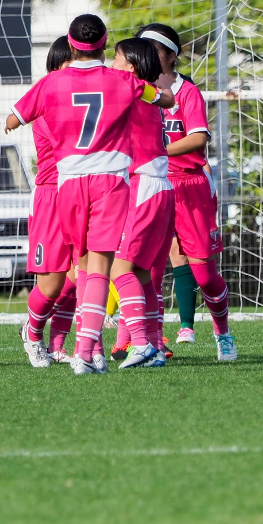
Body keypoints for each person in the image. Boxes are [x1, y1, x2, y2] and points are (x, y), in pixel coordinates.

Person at [6, 14, 173, 374]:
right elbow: (164, 98)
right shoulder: (118, 83)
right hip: (80, 188)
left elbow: (13, 119)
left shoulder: (55, 88)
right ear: (104, 43)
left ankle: (92, 349)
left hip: (74, 185)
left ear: (73, 46)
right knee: (77, 276)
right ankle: (62, 341)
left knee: (88, 271)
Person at [138, 23, 238, 362]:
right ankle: (151, 342)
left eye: (153, 49)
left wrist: (159, 150)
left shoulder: (187, 92)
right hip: (150, 185)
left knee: (205, 275)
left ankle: (222, 332)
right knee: (148, 270)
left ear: (171, 56)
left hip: (189, 187)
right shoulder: (137, 90)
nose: (146, 54)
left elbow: (197, 138)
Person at [105, 37, 176, 367]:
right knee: (143, 273)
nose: (111, 63)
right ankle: (153, 347)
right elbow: (167, 97)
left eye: (116, 57)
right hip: (161, 187)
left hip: (143, 186)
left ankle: (141, 343)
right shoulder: (146, 92)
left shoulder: (128, 89)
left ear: (130, 67)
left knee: (119, 268)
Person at [19, 37, 77, 368]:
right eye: (71, 64)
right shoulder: (46, 100)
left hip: (84, 191)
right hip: (52, 195)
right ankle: (33, 332)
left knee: (81, 275)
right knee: (52, 283)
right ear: (55, 68)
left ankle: (56, 345)